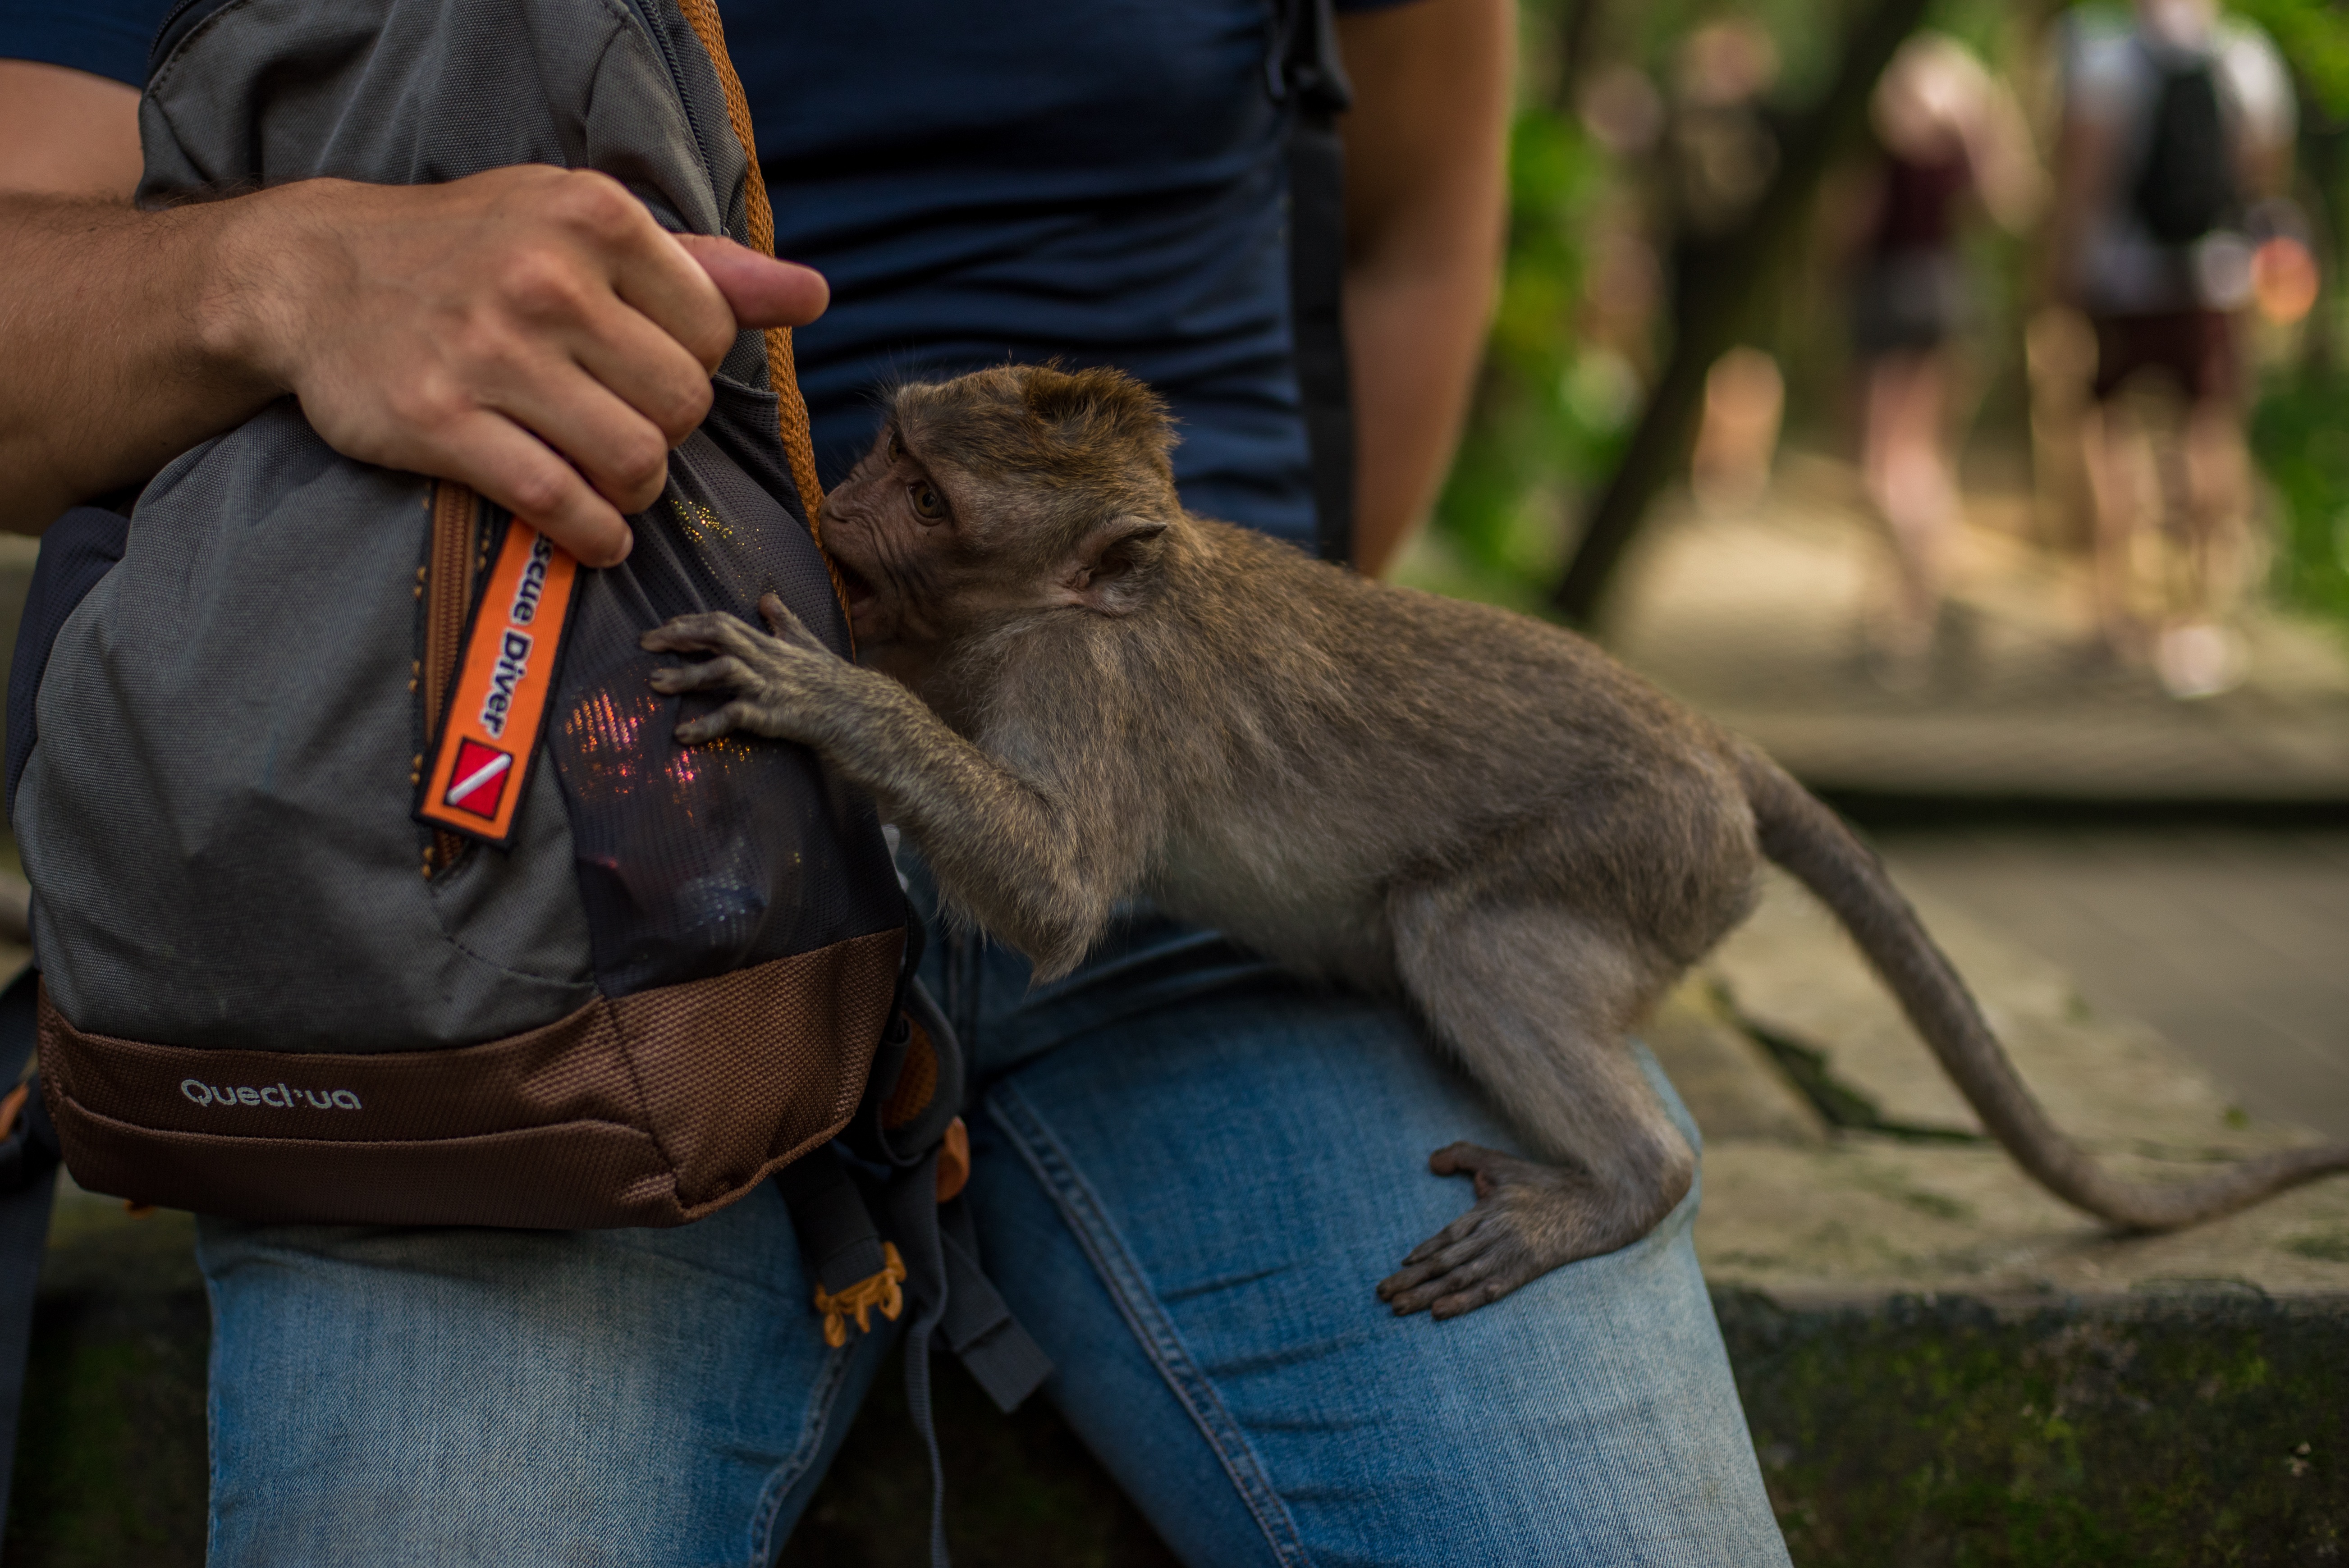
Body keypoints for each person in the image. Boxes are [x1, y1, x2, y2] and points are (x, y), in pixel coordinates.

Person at [0, 2, 1794, 1561]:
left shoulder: (1128, 599)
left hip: (1207, 907)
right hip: (551, 862)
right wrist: (291, 269)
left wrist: (1241, 722)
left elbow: (1410, 237)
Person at [2047, 0, 2294, 697]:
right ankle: (2197, 620)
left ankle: (2111, 612)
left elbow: (2084, 178)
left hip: (2120, 280)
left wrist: (2061, 269)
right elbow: (2263, 175)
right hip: (2216, 280)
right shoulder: (2245, 57)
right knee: (2209, 433)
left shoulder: (2105, 56)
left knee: (2110, 436)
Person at [1845, 32, 2042, 687]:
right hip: (1954, 290)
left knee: (1886, 464)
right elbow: (2012, 203)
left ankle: (1907, 618)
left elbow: (1854, 214)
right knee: (1928, 457)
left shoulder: (1890, 87)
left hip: (1893, 287)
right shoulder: (1968, 87)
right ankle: (1911, 606)